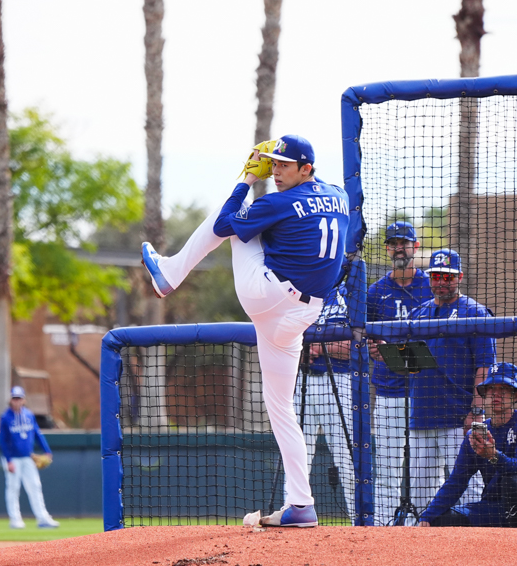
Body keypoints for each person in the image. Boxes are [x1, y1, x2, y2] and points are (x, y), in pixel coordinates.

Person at [141, 134, 350, 527]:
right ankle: (301, 505)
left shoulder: (277, 202)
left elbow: (224, 224)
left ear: (306, 168)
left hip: (268, 298)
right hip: (304, 314)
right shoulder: (339, 195)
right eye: (273, 163)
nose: (275, 171)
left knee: (235, 217)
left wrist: (246, 178)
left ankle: (170, 273)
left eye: (284, 165)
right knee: (281, 406)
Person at [408, 248, 496, 517]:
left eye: (447, 277)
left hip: (459, 418)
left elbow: (485, 366)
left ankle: (476, 538)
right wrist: (386, 352)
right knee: (420, 495)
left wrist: (477, 411)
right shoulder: (418, 313)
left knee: (469, 489)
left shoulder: (476, 312)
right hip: (422, 416)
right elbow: (410, 365)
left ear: (459, 277)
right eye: (436, 276)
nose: (441, 282)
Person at [417, 362, 517, 531]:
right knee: (441, 519)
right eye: (491, 389)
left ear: (516, 395)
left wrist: (494, 456)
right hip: (494, 507)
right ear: (484, 394)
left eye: (503, 389)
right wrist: (428, 516)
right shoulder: (475, 434)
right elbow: (457, 481)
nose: (496, 394)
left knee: (512, 482)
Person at [364, 221, 432, 525]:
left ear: (416, 246)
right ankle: (384, 529)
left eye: (404, 243)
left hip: (425, 393)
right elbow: (364, 338)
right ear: (387, 249)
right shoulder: (376, 291)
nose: (399, 248)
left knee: (425, 470)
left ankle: (427, 527)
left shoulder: (430, 286)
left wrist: (393, 351)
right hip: (389, 391)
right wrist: (372, 347)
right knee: (387, 468)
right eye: (393, 243)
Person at [296, 284, 356, 523]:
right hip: (301, 379)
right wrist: (301, 349)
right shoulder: (300, 283)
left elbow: (353, 345)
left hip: (339, 381)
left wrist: (318, 346)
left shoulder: (350, 288)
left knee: (347, 460)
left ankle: (360, 521)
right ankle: (294, 513)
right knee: (296, 457)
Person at [0, 385, 60, 529]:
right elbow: (3, 441)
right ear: (10, 400)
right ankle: (15, 520)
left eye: (19, 398)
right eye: (14, 398)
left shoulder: (29, 415)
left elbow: (37, 434)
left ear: (24, 400)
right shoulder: (5, 417)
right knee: (13, 488)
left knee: (35, 486)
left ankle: (43, 518)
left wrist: (47, 451)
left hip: (28, 457)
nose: (17, 401)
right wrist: (8, 460)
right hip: (13, 458)